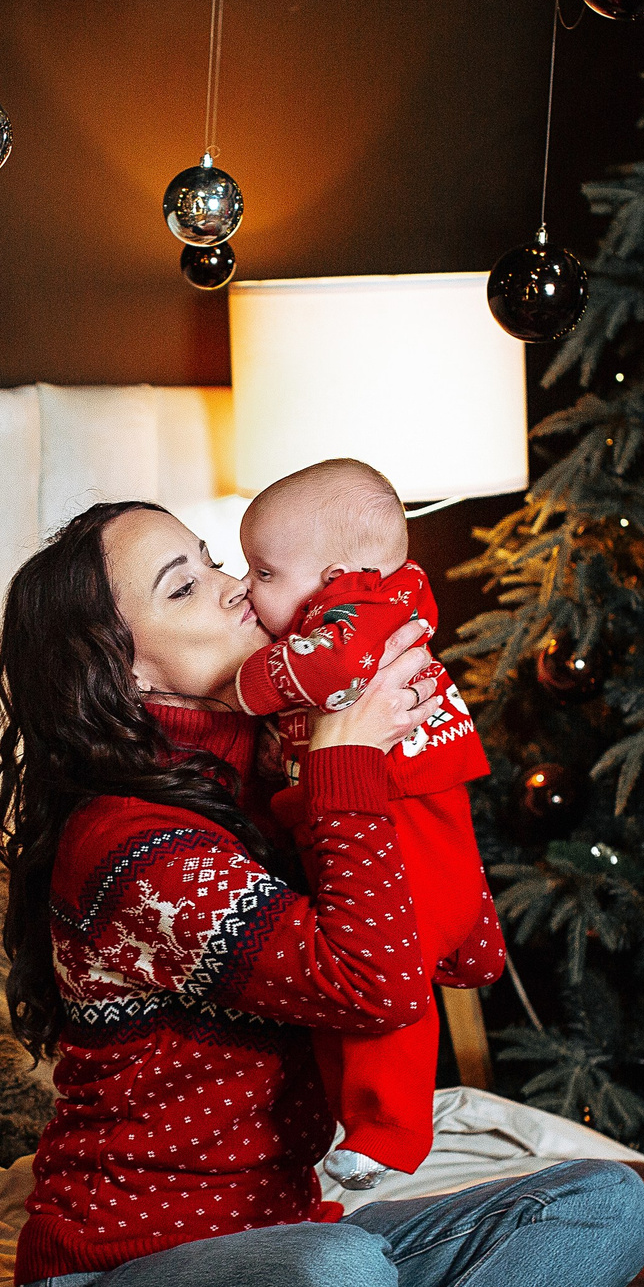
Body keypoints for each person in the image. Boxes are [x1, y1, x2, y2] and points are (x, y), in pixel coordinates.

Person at [0, 501, 644, 1287]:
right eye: (184, 586)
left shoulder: (271, 770)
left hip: (289, 1243)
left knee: (607, 1201)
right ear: (122, 668)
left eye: (215, 561)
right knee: (342, 1278)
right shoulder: (128, 847)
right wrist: (345, 768)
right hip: (122, 1280)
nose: (233, 588)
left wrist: (401, 763)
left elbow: (462, 951)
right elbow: (371, 986)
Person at [236, 457, 506, 1191]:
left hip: (397, 814)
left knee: (389, 983)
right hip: (401, 811)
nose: (246, 587)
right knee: (363, 974)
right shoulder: (361, 608)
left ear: (333, 577)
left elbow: (328, 670)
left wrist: (244, 682)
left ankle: (391, 1133)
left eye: (263, 572)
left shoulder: (360, 614)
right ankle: (470, 942)